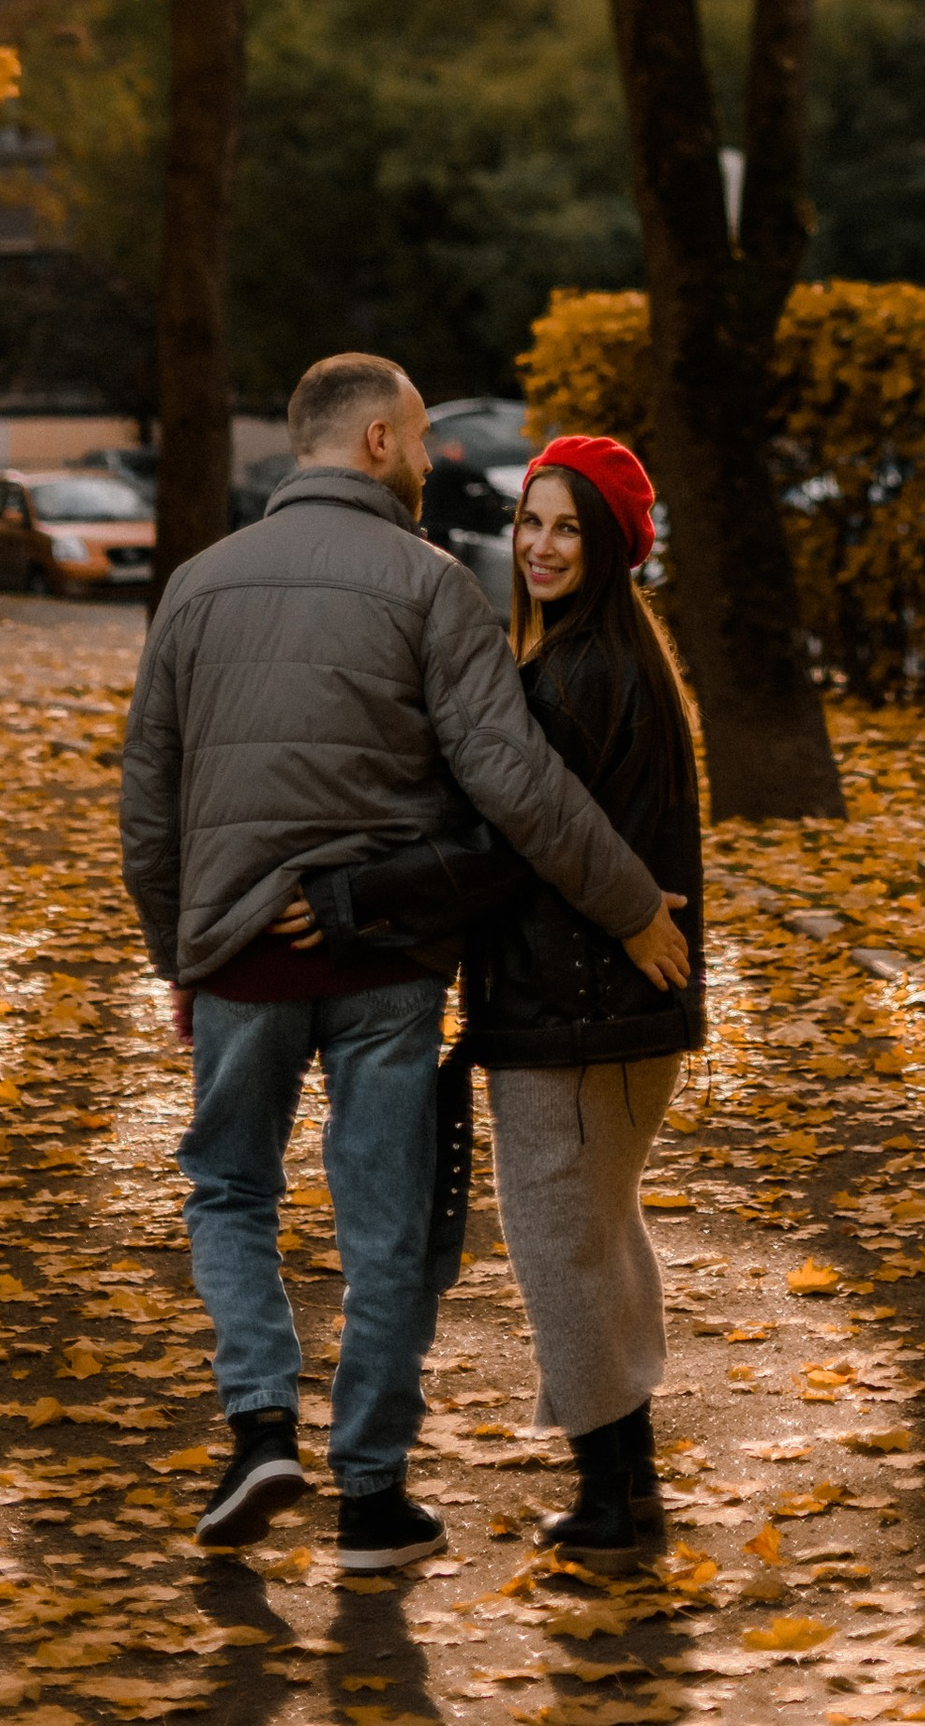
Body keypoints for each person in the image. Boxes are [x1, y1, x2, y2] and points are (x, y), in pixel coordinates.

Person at [118, 355, 690, 1568]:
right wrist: (634, 903)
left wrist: (182, 954)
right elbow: (513, 783)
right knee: (386, 1229)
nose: (433, 460)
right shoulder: (433, 585)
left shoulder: (195, 586)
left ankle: (259, 1427)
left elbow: (147, 804)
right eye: (424, 438)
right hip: (388, 968)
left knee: (230, 1191)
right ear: (378, 440)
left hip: (242, 957)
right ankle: (371, 1498)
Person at [464, 432, 706, 1560]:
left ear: (612, 546)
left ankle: (611, 1504)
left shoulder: (569, 678)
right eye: (531, 521)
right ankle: (630, 1486)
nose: (541, 546)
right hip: (621, 1016)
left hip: (572, 1018)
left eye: (569, 527)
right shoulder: (626, 659)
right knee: (601, 1239)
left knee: (562, 1250)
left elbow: (512, 852)